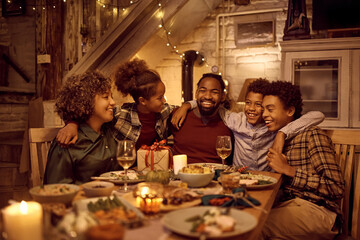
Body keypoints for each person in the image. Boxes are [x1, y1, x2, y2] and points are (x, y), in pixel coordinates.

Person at [260, 81, 344, 240]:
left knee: (255, 226)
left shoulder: (312, 135)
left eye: (270, 109)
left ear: (290, 110)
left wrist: (288, 170)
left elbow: (336, 187)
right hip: (290, 206)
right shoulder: (278, 138)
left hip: (318, 211)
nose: (264, 114)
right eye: (263, 109)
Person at [188, 78, 325, 171]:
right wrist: (189, 104)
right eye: (248, 103)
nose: (251, 108)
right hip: (240, 178)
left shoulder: (273, 124)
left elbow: (318, 115)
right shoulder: (235, 120)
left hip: (267, 180)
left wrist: (282, 133)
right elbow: (212, 103)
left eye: (258, 105)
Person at [56, 59, 192, 150]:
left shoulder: (164, 111)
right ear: (142, 101)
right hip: (121, 169)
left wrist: (186, 105)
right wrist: (72, 124)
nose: (164, 101)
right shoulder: (120, 114)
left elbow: (193, 105)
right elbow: (88, 115)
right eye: (159, 98)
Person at [44, 71, 120, 184]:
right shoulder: (67, 141)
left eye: (111, 96)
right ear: (86, 102)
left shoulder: (110, 128)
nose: (113, 102)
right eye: (106, 97)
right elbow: (55, 189)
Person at [170, 73, 234, 164]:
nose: (207, 96)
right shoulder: (178, 115)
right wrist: (186, 105)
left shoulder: (230, 122)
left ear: (223, 96)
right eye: (203, 91)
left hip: (216, 176)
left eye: (214, 92)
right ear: (196, 93)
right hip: (182, 176)